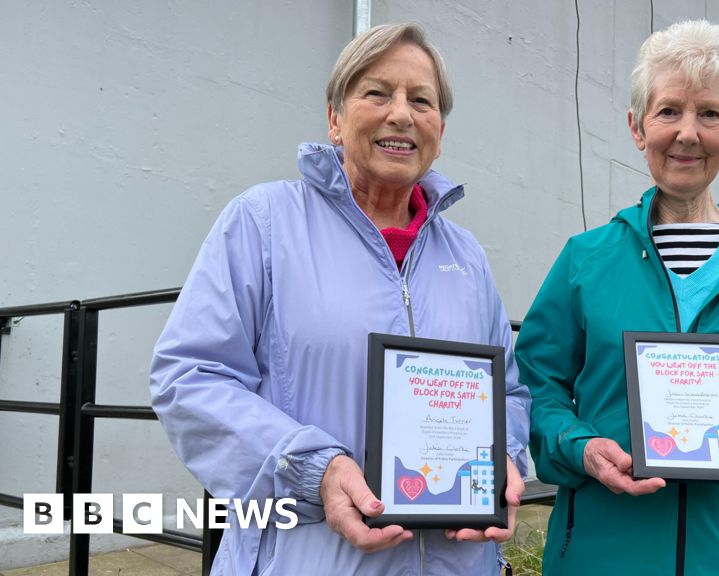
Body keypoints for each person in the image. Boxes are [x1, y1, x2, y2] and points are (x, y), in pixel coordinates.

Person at [150, 23, 530, 575]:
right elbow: (189, 376)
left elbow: (511, 394)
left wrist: (505, 461)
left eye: (420, 100)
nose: (401, 114)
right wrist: (315, 468)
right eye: (377, 93)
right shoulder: (263, 222)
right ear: (335, 118)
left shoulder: (467, 256)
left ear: (439, 131)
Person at [515, 19, 719, 575]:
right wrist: (582, 447)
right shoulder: (585, 261)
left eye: (709, 113)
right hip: (602, 552)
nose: (688, 133)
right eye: (668, 111)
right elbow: (536, 389)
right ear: (637, 127)